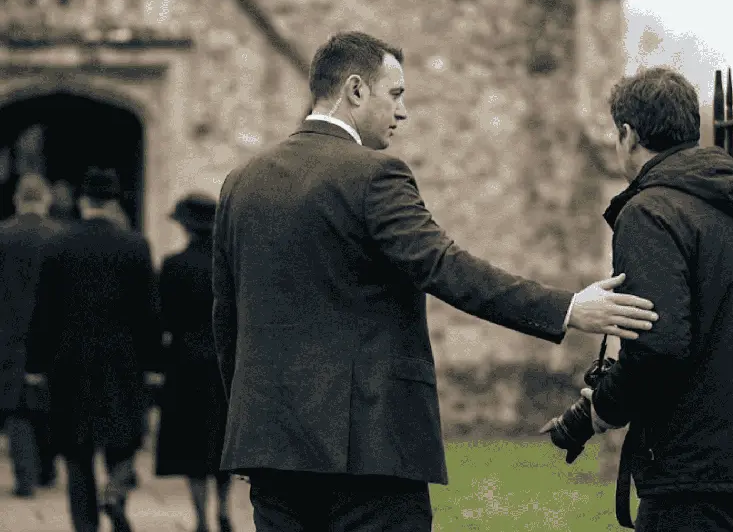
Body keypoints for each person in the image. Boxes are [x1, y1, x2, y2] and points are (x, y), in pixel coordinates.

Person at [211, 31, 659, 532]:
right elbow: (446, 268)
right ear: (355, 90)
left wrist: (251, 426)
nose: (402, 113)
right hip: (370, 453)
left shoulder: (240, 182)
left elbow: (226, 321)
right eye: (395, 94)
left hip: (272, 449)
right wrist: (567, 309)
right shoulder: (374, 176)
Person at [580, 67, 733, 531]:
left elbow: (657, 346)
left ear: (627, 134)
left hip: (695, 481)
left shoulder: (650, 211)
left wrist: (603, 407)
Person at [27, 167, 160, 532]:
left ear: (82, 201)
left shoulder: (58, 244)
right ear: (114, 201)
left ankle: (85, 524)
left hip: (70, 360)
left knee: (76, 451)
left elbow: (44, 311)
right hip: (122, 359)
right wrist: (153, 363)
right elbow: (149, 312)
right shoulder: (135, 246)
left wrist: (36, 363)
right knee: (124, 437)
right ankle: (116, 489)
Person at [155, 193, 233, 532]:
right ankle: (225, 509)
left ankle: (201, 516)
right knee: (223, 444)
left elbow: (164, 320)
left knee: (193, 448)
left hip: (185, 364)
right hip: (224, 364)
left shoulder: (173, 266)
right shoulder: (230, 266)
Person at [0, 173, 62, 497]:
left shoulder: (3, 236)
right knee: (49, 403)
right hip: (52, 334)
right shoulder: (61, 237)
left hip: (8, 332)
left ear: (17, 200)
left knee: (16, 406)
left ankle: (26, 475)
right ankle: (48, 470)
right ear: (47, 200)